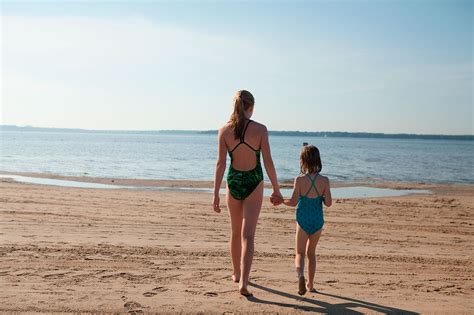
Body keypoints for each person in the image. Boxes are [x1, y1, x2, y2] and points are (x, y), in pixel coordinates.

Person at [213, 90, 283, 297]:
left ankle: (235, 273)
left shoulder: (223, 130)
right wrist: (277, 189)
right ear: (251, 107)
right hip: (253, 181)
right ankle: (243, 282)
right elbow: (268, 161)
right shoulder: (260, 130)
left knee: (235, 232)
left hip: (233, 182)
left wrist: (215, 193)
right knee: (248, 235)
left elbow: (220, 164)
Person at [281, 145, 332, 295]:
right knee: (311, 254)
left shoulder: (299, 180)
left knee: (299, 253)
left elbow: (293, 202)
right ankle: (310, 284)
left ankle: (300, 276)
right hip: (317, 221)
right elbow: (328, 203)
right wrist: (322, 196)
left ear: (302, 161)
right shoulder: (324, 180)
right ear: (318, 160)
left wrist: (281, 201)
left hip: (302, 220)